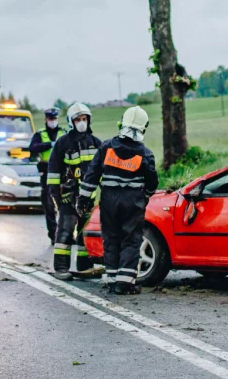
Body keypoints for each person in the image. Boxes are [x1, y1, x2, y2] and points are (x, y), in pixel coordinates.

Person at [78, 106, 158, 295]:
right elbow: (152, 183)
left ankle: (112, 279)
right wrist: (144, 198)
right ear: (143, 128)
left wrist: (83, 199)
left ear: (122, 123)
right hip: (133, 204)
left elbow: (91, 175)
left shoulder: (106, 147)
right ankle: (124, 283)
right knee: (131, 241)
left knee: (111, 239)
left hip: (108, 202)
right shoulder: (145, 154)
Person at [47, 103, 104, 280]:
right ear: (71, 122)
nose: (82, 122)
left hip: (88, 199)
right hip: (68, 198)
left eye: (84, 119)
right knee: (65, 231)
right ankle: (61, 268)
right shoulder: (63, 143)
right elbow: (54, 171)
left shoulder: (96, 143)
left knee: (85, 233)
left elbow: (102, 171)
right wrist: (57, 196)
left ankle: (84, 267)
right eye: (78, 119)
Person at [28, 107, 65, 243]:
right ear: (46, 120)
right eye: (50, 119)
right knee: (49, 205)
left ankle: (65, 234)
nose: (53, 121)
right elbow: (32, 147)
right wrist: (49, 144)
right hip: (47, 172)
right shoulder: (40, 134)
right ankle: (53, 235)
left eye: (55, 119)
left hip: (63, 172)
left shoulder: (63, 133)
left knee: (65, 205)